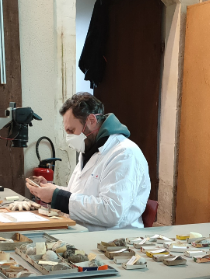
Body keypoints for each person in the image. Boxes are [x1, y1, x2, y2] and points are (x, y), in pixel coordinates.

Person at [26, 92, 150, 229]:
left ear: (91, 120)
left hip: (114, 241)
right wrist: (52, 189)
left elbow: (112, 212)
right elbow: (80, 194)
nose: (69, 138)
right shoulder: (90, 149)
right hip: (82, 232)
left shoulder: (125, 153)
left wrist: (57, 197)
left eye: (72, 131)